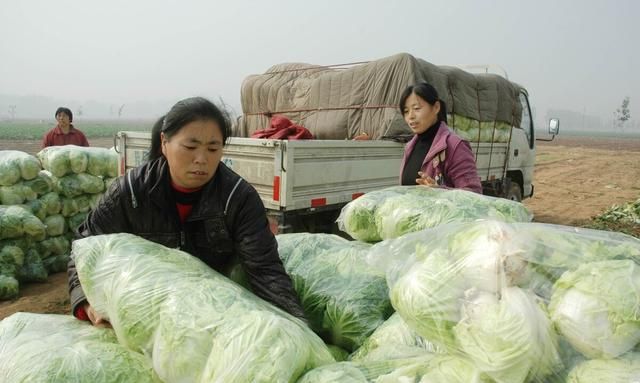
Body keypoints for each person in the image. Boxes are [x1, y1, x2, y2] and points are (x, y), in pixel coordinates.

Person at [67, 96, 305, 326]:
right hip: (143, 309)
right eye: (190, 146)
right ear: (164, 143)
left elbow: (265, 271)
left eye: (213, 149)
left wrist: (299, 327)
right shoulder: (131, 192)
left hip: (212, 314)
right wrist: (86, 302)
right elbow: (85, 247)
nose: (201, 159)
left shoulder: (238, 199)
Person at [399, 82, 482, 193]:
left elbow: (474, 192)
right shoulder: (410, 147)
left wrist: (439, 192)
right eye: (406, 111)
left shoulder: (454, 145)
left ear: (436, 107)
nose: (411, 116)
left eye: (417, 108)